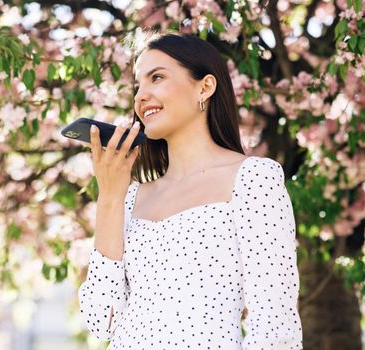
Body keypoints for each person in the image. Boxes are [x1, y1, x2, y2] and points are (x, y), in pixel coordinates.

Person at [78, 31, 303, 349]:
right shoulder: (130, 198)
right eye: (137, 86)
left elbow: (274, 326)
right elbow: (101, 321)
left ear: (205, 87)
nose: (141, 96)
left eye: (156, 78)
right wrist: (110, 200)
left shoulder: (253, 179)